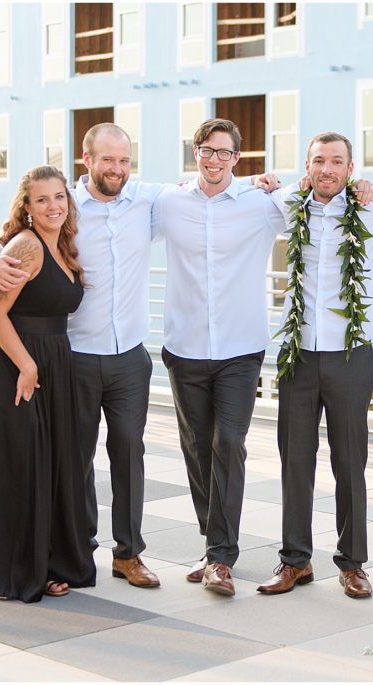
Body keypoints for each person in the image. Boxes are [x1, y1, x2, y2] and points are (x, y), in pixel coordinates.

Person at [0, 124, 164, 589]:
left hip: (129, 357)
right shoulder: (66, 204)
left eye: (124, 160)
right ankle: (78, 550)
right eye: (107, 159)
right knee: (70, 461)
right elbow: (13, 241)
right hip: (74, 358)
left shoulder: (147, 202)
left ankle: (129, 554)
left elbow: (205, 188)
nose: (116, 168)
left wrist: (259, 183)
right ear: (87, 160)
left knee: (128, 454)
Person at [256, 132, 373, 599]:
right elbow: (234, 193)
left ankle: (353, 563)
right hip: (298, 354)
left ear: (351, 167)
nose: (327, 169)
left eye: (337, 161)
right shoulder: (287, 202)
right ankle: (294, 561)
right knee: (295, 462)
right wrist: (260, 178)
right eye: (319, 160)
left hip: (350, 354)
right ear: (307, 166)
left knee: (350, 461)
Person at [0, 165, 96, 602]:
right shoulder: (26, 245)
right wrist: (28, 367)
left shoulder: (63, 247)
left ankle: (46, 561)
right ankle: (11, 568)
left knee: (48, 466)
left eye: (59, 197)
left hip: (53, 361)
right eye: (42, 200)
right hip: (16, 362)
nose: (53, 206)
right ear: (27, 208)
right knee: (20, 463)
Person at [151, 119, 287, 597]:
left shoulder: (262, 204)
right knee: (196, 446)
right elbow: (104, 212)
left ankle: (221, 559)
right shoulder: (168, 202)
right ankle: (213, 548)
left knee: (228, 443)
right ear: (195, 152)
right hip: (185, 347)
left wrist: (270, 180)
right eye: (206, 151)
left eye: (224, 153)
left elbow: (320, 206)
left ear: (237, 158)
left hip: (239, 349)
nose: (214, 160)